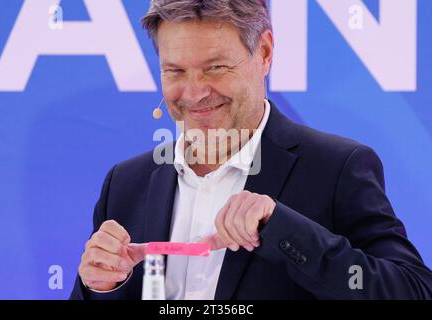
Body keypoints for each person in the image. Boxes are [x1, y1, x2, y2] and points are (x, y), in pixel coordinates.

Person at [70, 0, 432, 299]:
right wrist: (101, 287)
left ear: (264, 52)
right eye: (175, 71)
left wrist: (283, 227)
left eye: (215, 67)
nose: (194, 93)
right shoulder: (125, 182)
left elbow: (412, 291)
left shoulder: (336, 168)